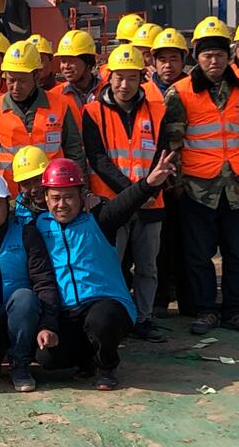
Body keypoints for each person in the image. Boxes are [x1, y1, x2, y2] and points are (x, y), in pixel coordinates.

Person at [26, 154, 178, 390]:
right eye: (55, 198)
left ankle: (107, 367)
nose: (62, 204)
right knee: (47, 358)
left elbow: (126, 202)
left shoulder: (99, 218)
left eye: (69, 197)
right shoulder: (38, 225)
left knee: (101, 320)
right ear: (46, 198)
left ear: (81, 195)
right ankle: (88, 359)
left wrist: (150, 183)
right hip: (67, 311)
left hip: (106, 304)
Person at [163, 17, 239, 336]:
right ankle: (206, 310)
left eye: (220, 55)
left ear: (229, 56)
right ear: (197, 57)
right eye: (208, 55)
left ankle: (235, 311)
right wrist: (177, 184)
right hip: (198, 189)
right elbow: (172, 144)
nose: (214, 61)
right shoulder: (179, 93)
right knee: (199, 255)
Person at [81, 45, 170, 343]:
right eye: (119, 77)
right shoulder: (93, 112)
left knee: (147, 267)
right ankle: (116, 320)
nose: (125, 84)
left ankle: (144, 319)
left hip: (151, 204)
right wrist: (134, 192)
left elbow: (163, 156)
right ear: (109, 77)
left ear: (141, 78)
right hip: (112, 205)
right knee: (112, 265)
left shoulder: (158, 111)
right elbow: (98, 159)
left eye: (132, 78)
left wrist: (149, 190)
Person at [0, 171, 58, 392]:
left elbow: (44, 282)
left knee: (24, 297)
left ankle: (20, 364)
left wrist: (48, 325)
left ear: (7, 204)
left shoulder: (26, 233)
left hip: (21, 319)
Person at [0, 40, 84, 188]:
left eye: (22, 81)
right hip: (12, 194)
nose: (16, 87)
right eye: (11, 80)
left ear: (36, 76)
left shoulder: (60, 105)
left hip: (53, 191)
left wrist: (80, 188)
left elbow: (74, 151)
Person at [142, 27, 194, 318]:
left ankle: (189, 301)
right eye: (162, 59)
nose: (168, 65)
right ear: (153, 61)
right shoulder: (144, 92)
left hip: (188, 180)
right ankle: (160, 299)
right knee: (159, 246)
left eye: (174, 59)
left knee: (188, 244)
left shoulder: (193, 89)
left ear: (183, 60)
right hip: (154, 180)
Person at [53, 30, 102, 117]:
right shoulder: (54, 96)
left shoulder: (106, 91)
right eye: (63, 61)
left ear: (88, 62)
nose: (66, 66)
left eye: (72, 61)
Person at [10, 145, 51, 224]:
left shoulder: (69, 206)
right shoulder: (12, 213)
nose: (34, 189)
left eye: (38, 180)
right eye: (26, 184)